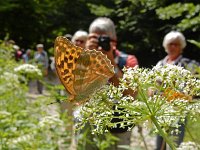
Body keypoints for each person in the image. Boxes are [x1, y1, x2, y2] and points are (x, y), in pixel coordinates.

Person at [84, 17, 138, 150]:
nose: (100, 43)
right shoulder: (85, 60)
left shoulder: (128, 60)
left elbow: (131, 93)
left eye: (104, 39)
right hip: (92, 120)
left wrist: (111, 62)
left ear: (114, 40)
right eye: (94, 39)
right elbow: (75, 88)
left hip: (120, 123)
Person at [155, 31, 199, 150]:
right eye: (170, 44)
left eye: (176, 44)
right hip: (159, 109)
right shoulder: (160, 64)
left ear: (182, 47)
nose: (173, 46)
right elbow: (152, 87)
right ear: (166, 46)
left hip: (178, 110)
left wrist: (184, 96)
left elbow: (194, 88)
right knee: (159, 143)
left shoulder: (190, 64)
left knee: (174, 143)